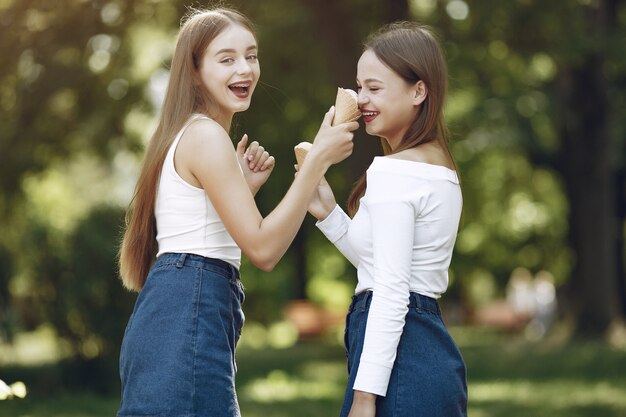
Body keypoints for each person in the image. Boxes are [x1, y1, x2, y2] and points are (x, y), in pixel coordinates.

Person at [116, 7, 358, 417]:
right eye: (226, 59)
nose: (244, 68)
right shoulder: (206, 136)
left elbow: (199, 230)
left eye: (251, 55)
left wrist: (241, 191)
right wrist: (317, 160)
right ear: (194, 72)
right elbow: (264, 250)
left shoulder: (190, 132)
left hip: (173, 312)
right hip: (187, 311)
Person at [303, 22, 467, 417]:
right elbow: (384, 267)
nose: (361, 100)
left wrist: (364, 397)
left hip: (401, 365)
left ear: (418, 90)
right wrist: (328, 213)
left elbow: (392, 291)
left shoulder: (396, 171)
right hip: (426, 355)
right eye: (359, 87)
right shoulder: (439, 167)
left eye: (374, 88)